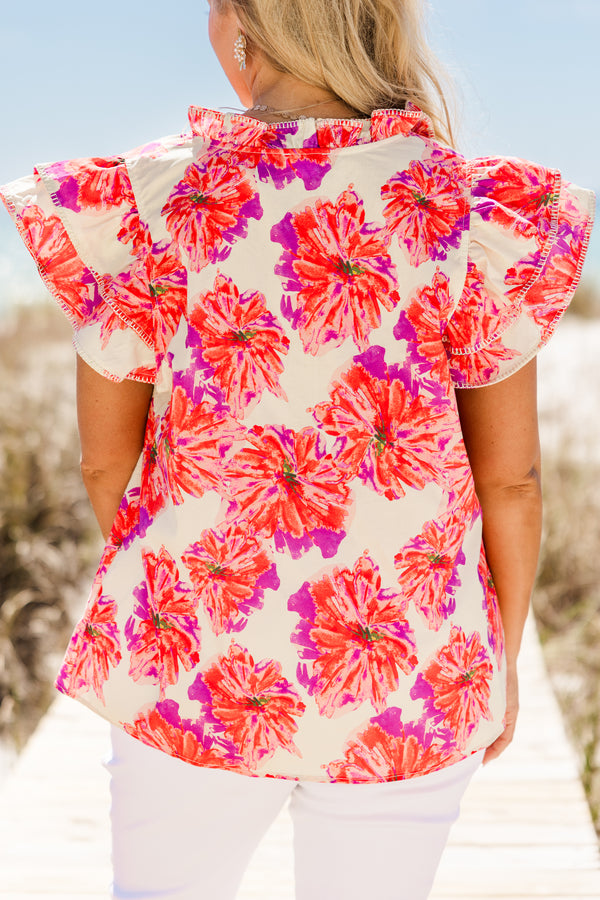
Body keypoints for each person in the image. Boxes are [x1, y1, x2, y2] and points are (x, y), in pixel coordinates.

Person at [1, 1, 595, 897]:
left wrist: (179, 590)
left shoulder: (159, 197)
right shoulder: (465, 206)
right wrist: (498, 659)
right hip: (409, 668)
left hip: (194, 659)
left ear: (243, 21)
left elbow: (104, 462)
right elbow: (510, 481)